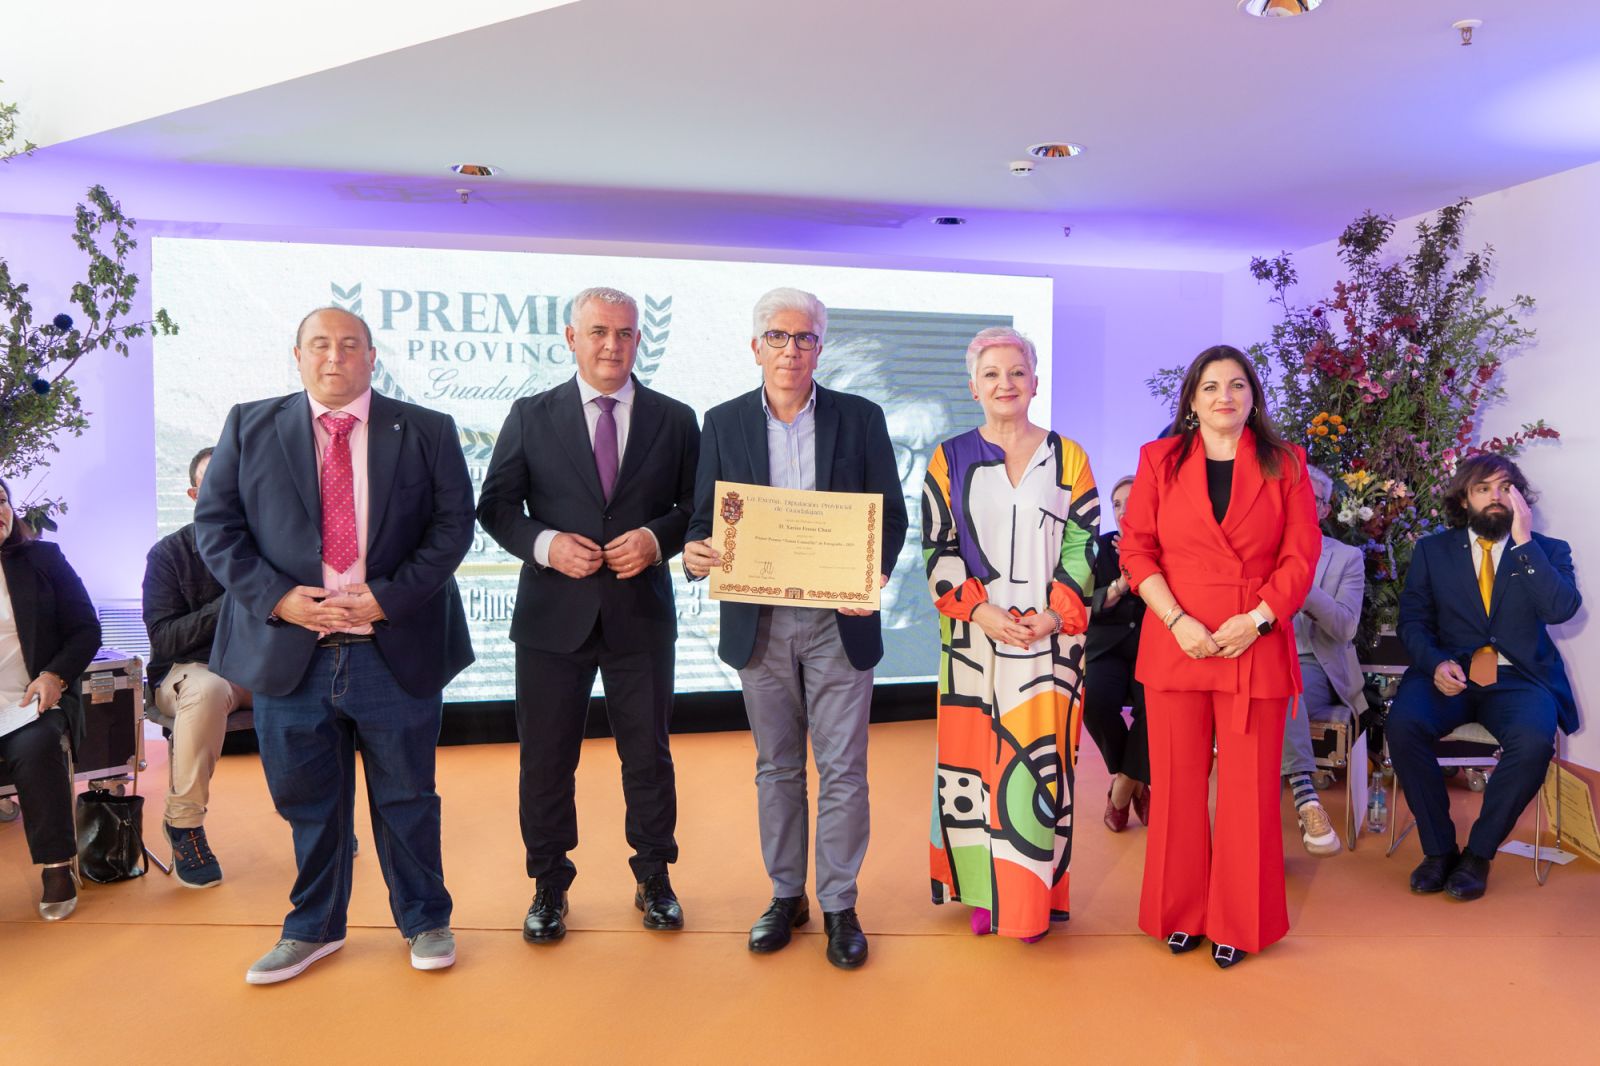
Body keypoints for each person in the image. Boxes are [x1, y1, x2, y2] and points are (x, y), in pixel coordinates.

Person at [195, 306, 475, 983]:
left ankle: (426, 920)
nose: (334, 356)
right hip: (290, 652)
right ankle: (313, 928)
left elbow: (452, 528)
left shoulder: (427, 429)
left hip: (392, 646)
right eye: (319, 344)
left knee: (408, 796)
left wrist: (388, 597)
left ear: (371, 357)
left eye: (350, 345)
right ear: (297, 356)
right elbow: (216, 529)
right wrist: (279, 599)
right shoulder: (249, 425)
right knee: (308, 803)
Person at [683, 286, 907, 970]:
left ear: (819, 347)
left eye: (804, 337)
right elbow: (702, 519)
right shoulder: (722, 422)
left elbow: (890, 516)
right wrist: (695, 553)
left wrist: (871, 575)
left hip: (841, 623)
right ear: (756, 347)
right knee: (777, 767)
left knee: (844, 769)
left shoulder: (860, 418)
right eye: (778, 337)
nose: (791, 350)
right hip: (760, 625)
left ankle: (839, 903)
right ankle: (786, 896)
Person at [476, 286, 699, 944]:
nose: (611, 344)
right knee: (546, 761)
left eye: (625, 333)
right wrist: (546, 544)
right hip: (552, 619)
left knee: (648, 758)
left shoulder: (676, 418)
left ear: (639, 340)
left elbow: (700, 505)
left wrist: (656, 539)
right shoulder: (530, 414)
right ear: (572, 338)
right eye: (598, 331)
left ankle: (654, 877)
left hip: (640, 617)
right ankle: (548, 885)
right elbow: (496, 507)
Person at [1119, 344, 1319, 969]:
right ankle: (1179, 912)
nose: (1224, 396)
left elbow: (1301, 556)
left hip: (1252, 640)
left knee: (1248, 793)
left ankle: (1239, 920)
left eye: (1236, 385)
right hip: (1177, 636)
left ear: (1253, 397)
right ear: (1192, 400)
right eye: (1210, 386)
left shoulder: (1286, 463)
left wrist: (1257, 620)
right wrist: (1176, 620)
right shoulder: (1159, 460)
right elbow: (1136, 550)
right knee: (1175, 788)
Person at [922, 327, 1097, 941]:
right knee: (972, 765)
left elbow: (1083, 541)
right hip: (974, 642)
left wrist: (1054, 613)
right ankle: (982, 891)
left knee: (1039, 767)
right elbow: (938, 546)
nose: (1006, 384)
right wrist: (978, 611)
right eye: (992, 374)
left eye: (1017, 372)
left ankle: (1029, 897)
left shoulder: (1069, 457)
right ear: (973, 386)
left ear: (1035, 382)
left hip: (1051, 641)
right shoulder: (948, 458)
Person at [1387, 454, 1579, 901]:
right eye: (1483, 489)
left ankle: (1478, 854)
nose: (1496, 497)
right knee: (1403, 725)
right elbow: (1413, 621)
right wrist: (1436, 664)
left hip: (1518, 678)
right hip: (1447, 674)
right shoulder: (1433, 551)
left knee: (1534, 740)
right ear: (1463, 500)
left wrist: (1524, 542)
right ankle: (1438, 851)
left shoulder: (1548, 550)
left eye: (1505, 488)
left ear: (1519, 496)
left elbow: (1560, 609)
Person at [142, 446, 253, 887]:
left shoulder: (270, 547)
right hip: (190, 671)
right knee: (208, 689)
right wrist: (233, 602)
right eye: (214, 482)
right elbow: (164, 639)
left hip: (261, 669)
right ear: (194, 494)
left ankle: (319, 818)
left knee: (321, 681)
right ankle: (184, 824)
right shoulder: (169, 554)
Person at [0, 478, 101, 920]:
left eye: (1, 500)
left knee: (37, 745)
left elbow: (86, 629)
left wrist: (54, 676)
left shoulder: (43, 559)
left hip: (30, 702)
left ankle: (56, 866)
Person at [1279, 464, 1364, 857]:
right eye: (1292, 495)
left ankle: (1303, 791)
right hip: (1257, 652)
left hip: (1312, 662)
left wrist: (1304, 589)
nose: (1299, 504)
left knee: (1284, 690)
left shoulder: (1347, 557)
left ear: (1326, 509)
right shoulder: (1260, 547)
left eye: (1310, 498)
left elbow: (1345, 627)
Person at [1084, 474, 1151, 833]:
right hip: (1106, 647)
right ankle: (1136, 780)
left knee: (1156, 707)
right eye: (1117, 504)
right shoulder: (1098, 547)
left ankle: (1123, 788)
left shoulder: (1166, 547)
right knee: (1094, 702)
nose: (1123, 510)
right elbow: (1086, 601)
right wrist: (1121, 584)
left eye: (1132, 501)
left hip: (1150, 647)